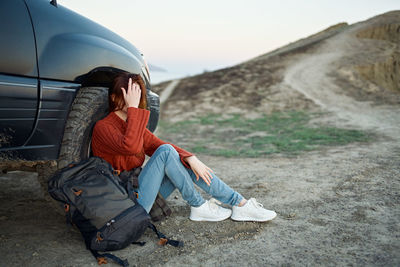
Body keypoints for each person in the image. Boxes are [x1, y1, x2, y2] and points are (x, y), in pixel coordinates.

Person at [91, 73, 277, 222]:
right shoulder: (103, 127)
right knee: (167, 153)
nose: (136, 100)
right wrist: (133, 109)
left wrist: (190, 158)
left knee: (178, 158)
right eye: (130, 95)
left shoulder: (131, 125)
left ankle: (240, 204)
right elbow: (131, 147)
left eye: (138, 95)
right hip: (127, 201)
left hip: (142, 190)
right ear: (115, 98)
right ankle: (197, 205)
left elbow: (158, 144)